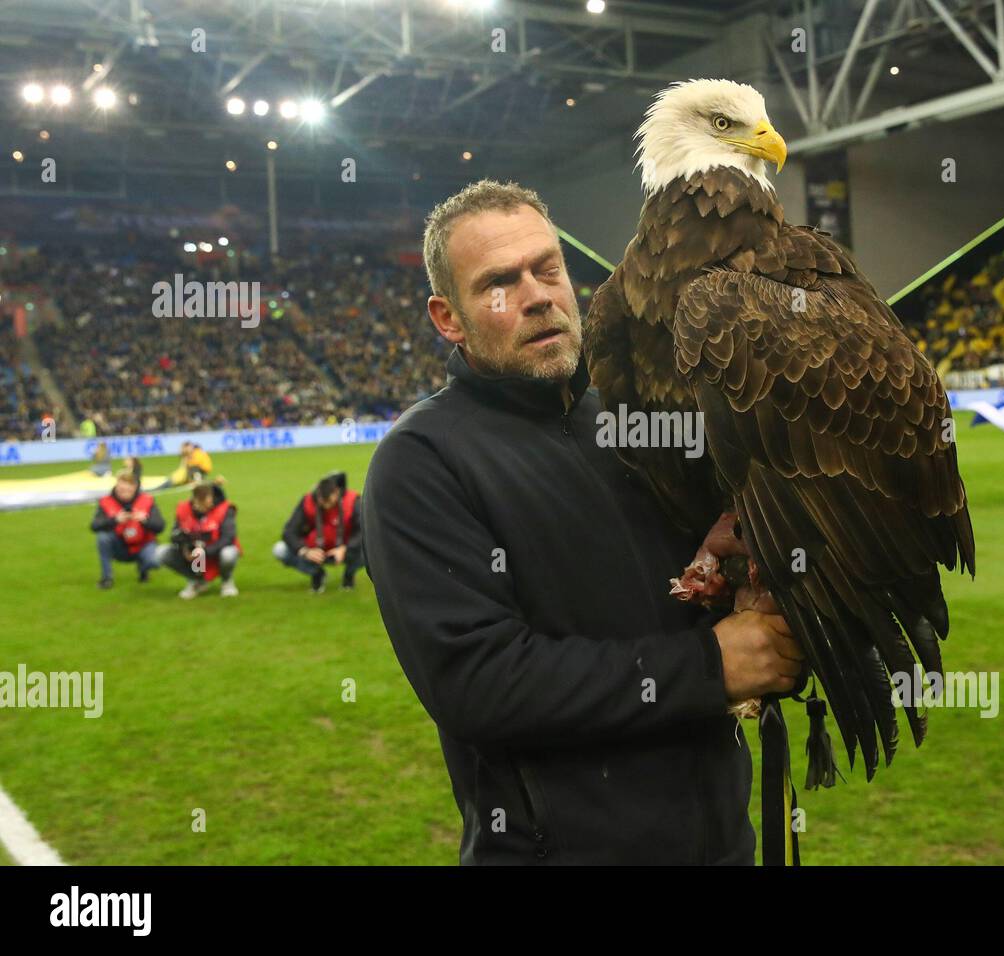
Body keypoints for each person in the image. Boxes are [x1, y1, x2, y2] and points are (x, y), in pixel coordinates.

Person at [364, 180, 802, 865]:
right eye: (501, 284)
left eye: (548, 268)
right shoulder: (421, 461)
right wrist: (711, 666)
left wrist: (725, 564)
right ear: (448, 318)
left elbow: (659, 596)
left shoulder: (639, 419)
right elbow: (480, 683)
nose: (538, 295)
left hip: (721, 845)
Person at [272, 472, 364, 593]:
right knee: (280, 550)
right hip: (314, 550)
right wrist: (305, 551)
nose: (326, 506)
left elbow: (364, 530)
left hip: (344, 548)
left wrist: (345, 548)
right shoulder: (307, 501)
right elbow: (289, 531)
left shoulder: (352, 501)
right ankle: (317, 574)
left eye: (329, 502)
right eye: (323, 502)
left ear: (336, 492)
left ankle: (349, 575)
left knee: (371, 547)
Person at [156, 482, 241, 598]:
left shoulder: (225, 509)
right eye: (199, 504)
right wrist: (185, 548)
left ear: (211, 498)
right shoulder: (184, 509)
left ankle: (226, 581)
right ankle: (196, 581)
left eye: (206, 504)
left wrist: (204, 551)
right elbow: (175, 534)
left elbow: (228, 537)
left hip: (216, 552)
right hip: (194, 556)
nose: (203, 508)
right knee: (161, 552)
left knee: (228, 554)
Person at [90, 470, 164, 589]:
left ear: (135, 487)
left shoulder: (147, 500)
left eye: (128, 489)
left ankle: (143, 568)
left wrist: (145, 520)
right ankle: (107, 578)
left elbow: (160, 526)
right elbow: (94, 526)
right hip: (119, 545)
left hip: (143, 543)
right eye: (121, 489)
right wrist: (115, 520)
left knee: (155, 561)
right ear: (116, 486)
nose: (124, 493)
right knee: (102, 538)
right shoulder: (106, 501)